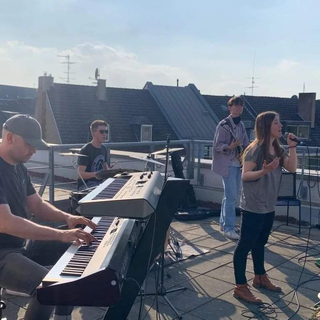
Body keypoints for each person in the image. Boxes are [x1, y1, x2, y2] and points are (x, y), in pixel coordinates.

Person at [0, 114, 97, 320]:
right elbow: (5, 222)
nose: (34, 150)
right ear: (9, 138)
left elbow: (36, 204)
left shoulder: (18, 167)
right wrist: (59, 235)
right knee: (48, 288)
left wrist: (67, 218)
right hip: (2, 252)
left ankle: (63, 316)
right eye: (29, 144)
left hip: (18, 246)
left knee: (80, 245)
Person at [233, 111, 297, 304]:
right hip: (253, 205)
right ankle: (240, 287)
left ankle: (260, 277)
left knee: (260, 243)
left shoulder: (277, 148)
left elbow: (292, 168)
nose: (280, 126)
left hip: (268, 204)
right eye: (276, 123)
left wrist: (292, 147)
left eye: (280, 122)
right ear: (267, 126)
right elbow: (245, 175)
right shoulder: (255, 149)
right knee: (245, 245)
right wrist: (265, 170)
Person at [212, 96, 249, 240]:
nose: (239, 108)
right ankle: (229, 228)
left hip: (238, 164)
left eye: (241, 106)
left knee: (229, 196)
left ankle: (224, 223)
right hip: (227, 165)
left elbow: (246, 143)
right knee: (232, 196)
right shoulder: (223, 125)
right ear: (230, 107)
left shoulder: (241, 125)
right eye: (236, 106)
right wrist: (230, 146)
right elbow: (217, 145)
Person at [77, 120, 110, 189]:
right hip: (87, 185)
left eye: (106, 132)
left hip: (100, 183)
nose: (104, 134)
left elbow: (105, 167)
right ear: (94, 133)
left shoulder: (104, 148)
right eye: (101, 132)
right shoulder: (86, 150)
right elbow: (80, 174)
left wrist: (113, 172)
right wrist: (96, 174)